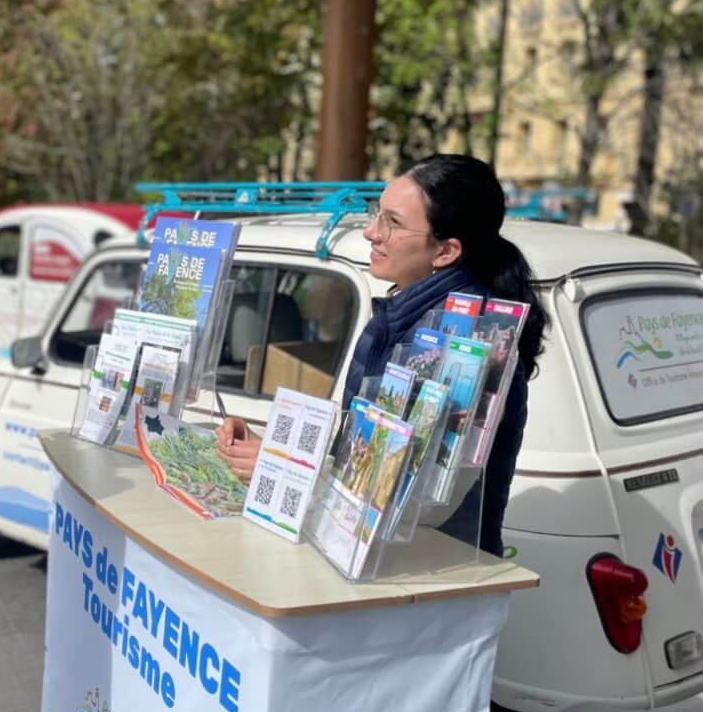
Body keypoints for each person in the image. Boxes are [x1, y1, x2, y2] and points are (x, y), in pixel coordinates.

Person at [216, 154, 548, 556]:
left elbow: (419, 501)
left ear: (446, 251)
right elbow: (363, 450)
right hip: (365, 554)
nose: (371, 231)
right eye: (377, 213)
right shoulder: (400, 314)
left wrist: (286, 468)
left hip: (429, 574)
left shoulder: (469, 344)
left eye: (393, 222)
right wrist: (277, 451)